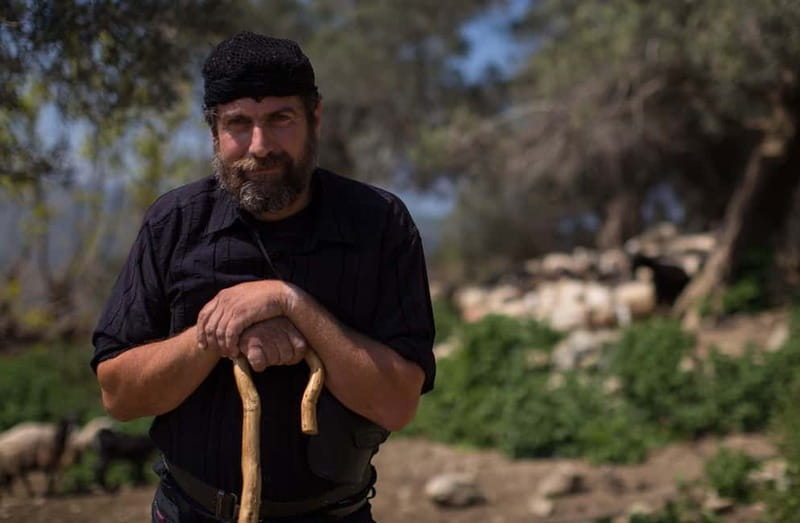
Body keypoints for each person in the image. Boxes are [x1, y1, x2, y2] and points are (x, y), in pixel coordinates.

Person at [92, 31, 436, 523]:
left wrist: (291, 303)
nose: (260, 146)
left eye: (280, 119)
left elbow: (397, 404)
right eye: (239, 123)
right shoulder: (174, 223)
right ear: (214, 131)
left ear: (314, 119)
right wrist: (219, 331)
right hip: (188, 512)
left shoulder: (380, 224)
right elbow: (119, 396)